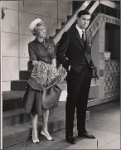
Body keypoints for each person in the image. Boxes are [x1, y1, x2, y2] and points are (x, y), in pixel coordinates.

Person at [56, 10, 98, 144]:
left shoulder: (89, 34)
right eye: (84, 19)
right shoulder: (68, 35)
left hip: (86, 72)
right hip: (75, 73)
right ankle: (69, 135)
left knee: (83, 103)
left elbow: (87, 54)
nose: (86, 22)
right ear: (78, 19)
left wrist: (92, 67)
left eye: (88, 20)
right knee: (71, 103)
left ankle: (81, 130)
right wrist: (68, 65)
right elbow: (60, 54)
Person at [23, 18, 66, 144]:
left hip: (49, 76)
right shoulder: (31, 45)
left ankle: (45, 130)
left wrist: (53, 71)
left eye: (44, 29)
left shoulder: (51, 42)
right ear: (36, 32)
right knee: (36, 107)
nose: (44, 31)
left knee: (47, 105)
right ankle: (35, 132)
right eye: (41, 30)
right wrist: (46, 68)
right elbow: (34, 61)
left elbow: (53, 58)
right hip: (38, 77)